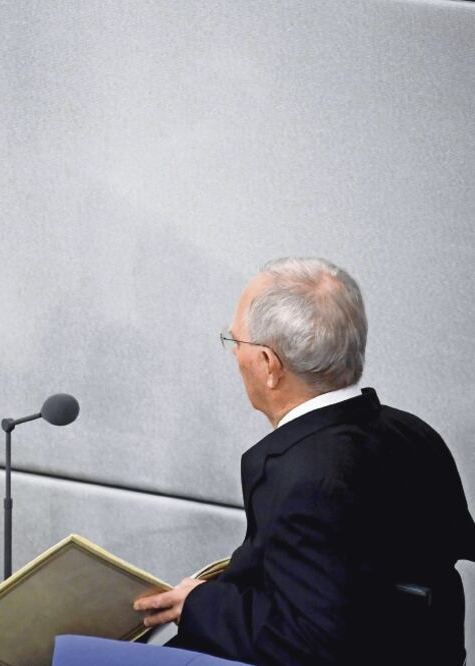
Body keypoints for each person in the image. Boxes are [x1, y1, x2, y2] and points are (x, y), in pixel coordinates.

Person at [132, 258, 475, 665]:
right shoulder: (414, 433)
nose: (234, 355)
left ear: (269, 365)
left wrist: (200, 604)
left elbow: (308, 642)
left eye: (235, 341)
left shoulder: (307, 477)